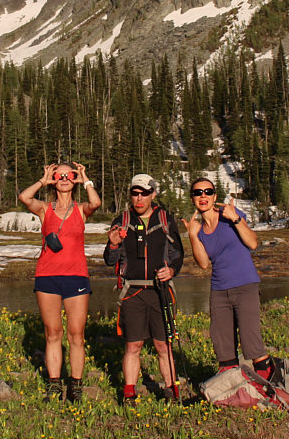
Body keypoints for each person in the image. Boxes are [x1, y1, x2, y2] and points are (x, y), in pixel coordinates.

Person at [18, 161, 101, 402]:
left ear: (74, 179)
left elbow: (96, 202)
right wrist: (43, 180)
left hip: (76, 275)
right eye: (59, 175)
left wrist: (85, 178)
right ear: (54, 180)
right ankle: (54, 385)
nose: (64, 178)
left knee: (76, 334)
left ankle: (75, 385)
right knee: (53, 333)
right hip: (47, 276)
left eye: (69, 175)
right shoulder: (44, 209)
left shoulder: (81, 209)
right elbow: (24, 196)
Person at [184, 177, 279, 382]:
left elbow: (253, 243)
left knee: (251, 343)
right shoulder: (198, 230)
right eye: (198, 192)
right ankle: (234, 390)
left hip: (245, 285)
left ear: (214, 196)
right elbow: (203, 264)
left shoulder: (229, 216)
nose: (203, 196)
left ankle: (272, 384)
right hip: (219, 290)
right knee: (223, 346)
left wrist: (235, 218)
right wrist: (192, 236)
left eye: (208, 192)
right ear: (192, 198)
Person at [103, 173, 184, 404]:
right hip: (132, 292)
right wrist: (113, 243)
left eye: (144, 194)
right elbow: (110, 260)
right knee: (133, 344)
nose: (139, 199)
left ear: (153, 194)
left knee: (163, 344)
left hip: (161, 291)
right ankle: (129, 391)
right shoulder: (122, 220)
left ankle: (171, 390)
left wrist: (172, 271)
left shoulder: (166, 219)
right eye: (135, 193)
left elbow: (178, 255)